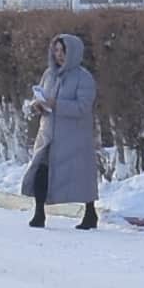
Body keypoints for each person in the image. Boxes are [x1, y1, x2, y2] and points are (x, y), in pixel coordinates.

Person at [24, 29, 101, 231]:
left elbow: (83, 107)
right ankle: (39, 212)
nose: (59, 55)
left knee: (81, 175)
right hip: (48, 134)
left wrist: (57, 104)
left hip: (73, 137)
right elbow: (41, 96)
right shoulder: (49, 75)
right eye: (56, 50)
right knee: (41, 170)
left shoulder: (83, 78)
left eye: (63, 51)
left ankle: (90, 212)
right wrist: (38, 105)